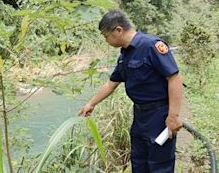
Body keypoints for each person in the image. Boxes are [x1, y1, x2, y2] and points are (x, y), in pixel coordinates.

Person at [78, 10, 183, 173]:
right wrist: (90, 103)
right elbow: (111, 84)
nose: (106, 40)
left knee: (160, 165)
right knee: (139, 162)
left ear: (118, 30)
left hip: (159, 116)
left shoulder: (151, 46)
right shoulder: (125, 54)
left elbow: (174, 78)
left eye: (106, 36)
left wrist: (173, 116)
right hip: (140, 116)